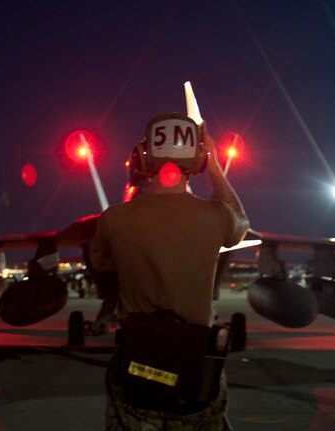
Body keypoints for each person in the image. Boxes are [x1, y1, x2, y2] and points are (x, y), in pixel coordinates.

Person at [90, 112, 250, 430]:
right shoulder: (217, 217)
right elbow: (240, 225)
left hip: (136, 372)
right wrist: (215, 163)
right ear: (199, 161)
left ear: (141, 158)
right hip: (197, 372)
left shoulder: (114, 218)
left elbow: (100, 262)